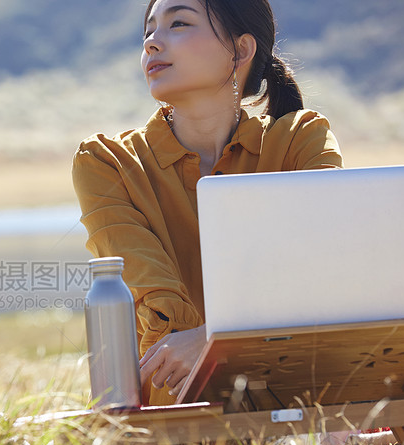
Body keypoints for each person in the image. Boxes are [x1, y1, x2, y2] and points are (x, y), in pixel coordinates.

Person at [72, 0, 343, 406]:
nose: (152, 43)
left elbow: (324, 270)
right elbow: (158, 302)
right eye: (148, 30)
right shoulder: (107, 163)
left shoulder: (301, 141)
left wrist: (211, 339)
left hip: (299, 394)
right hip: (174, 404)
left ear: (241, 50)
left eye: (178, 23)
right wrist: (213, 341)